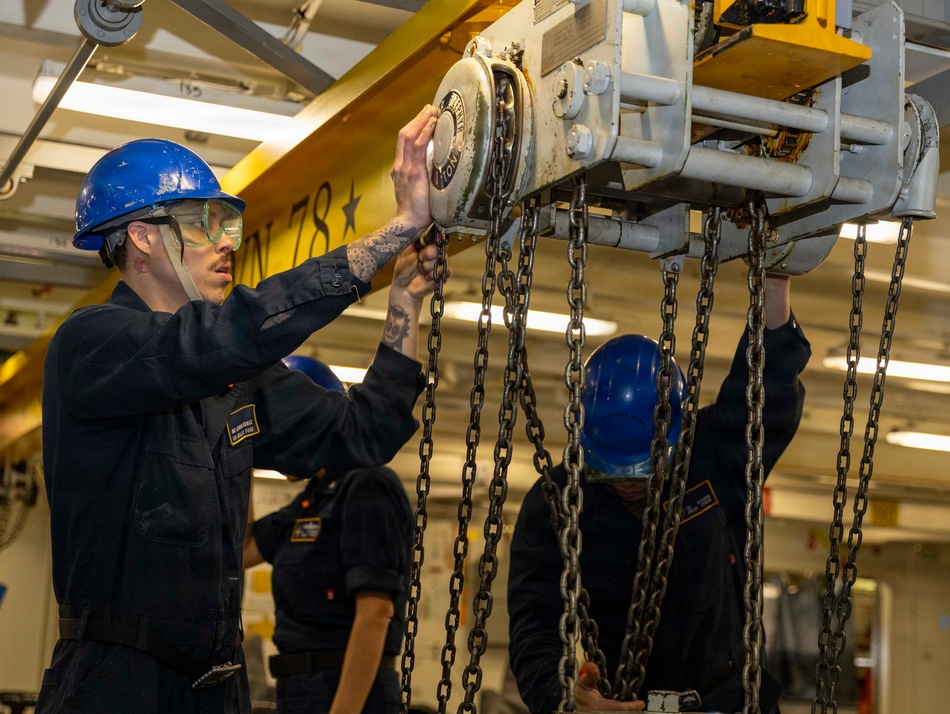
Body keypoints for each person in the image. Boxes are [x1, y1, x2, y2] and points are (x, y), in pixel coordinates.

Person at [37, 106, 440, 713]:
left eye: (227, 223)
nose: (226, 243)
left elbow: (358, 433)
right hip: (114, 686)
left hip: (219, 689)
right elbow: (223, 337)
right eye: (203, 224)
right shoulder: (92, 344)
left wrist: (404, 302)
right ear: (144, 237)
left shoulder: (235, 378)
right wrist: (396, 228)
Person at [508, 275, 810, 713]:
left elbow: (768, 386)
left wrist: (776, 279)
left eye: (647, 467)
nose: (630, 482)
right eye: (613, 469)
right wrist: (564, 699)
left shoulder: (712, 453)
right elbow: (534, 627)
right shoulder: (555, 504)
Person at [242, 356, 413, 714]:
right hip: (299, 692)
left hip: (347, 694)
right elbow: (242, 551)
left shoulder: (366, 484)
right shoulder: (311, 500)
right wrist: (243, 456)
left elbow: (376, 613)